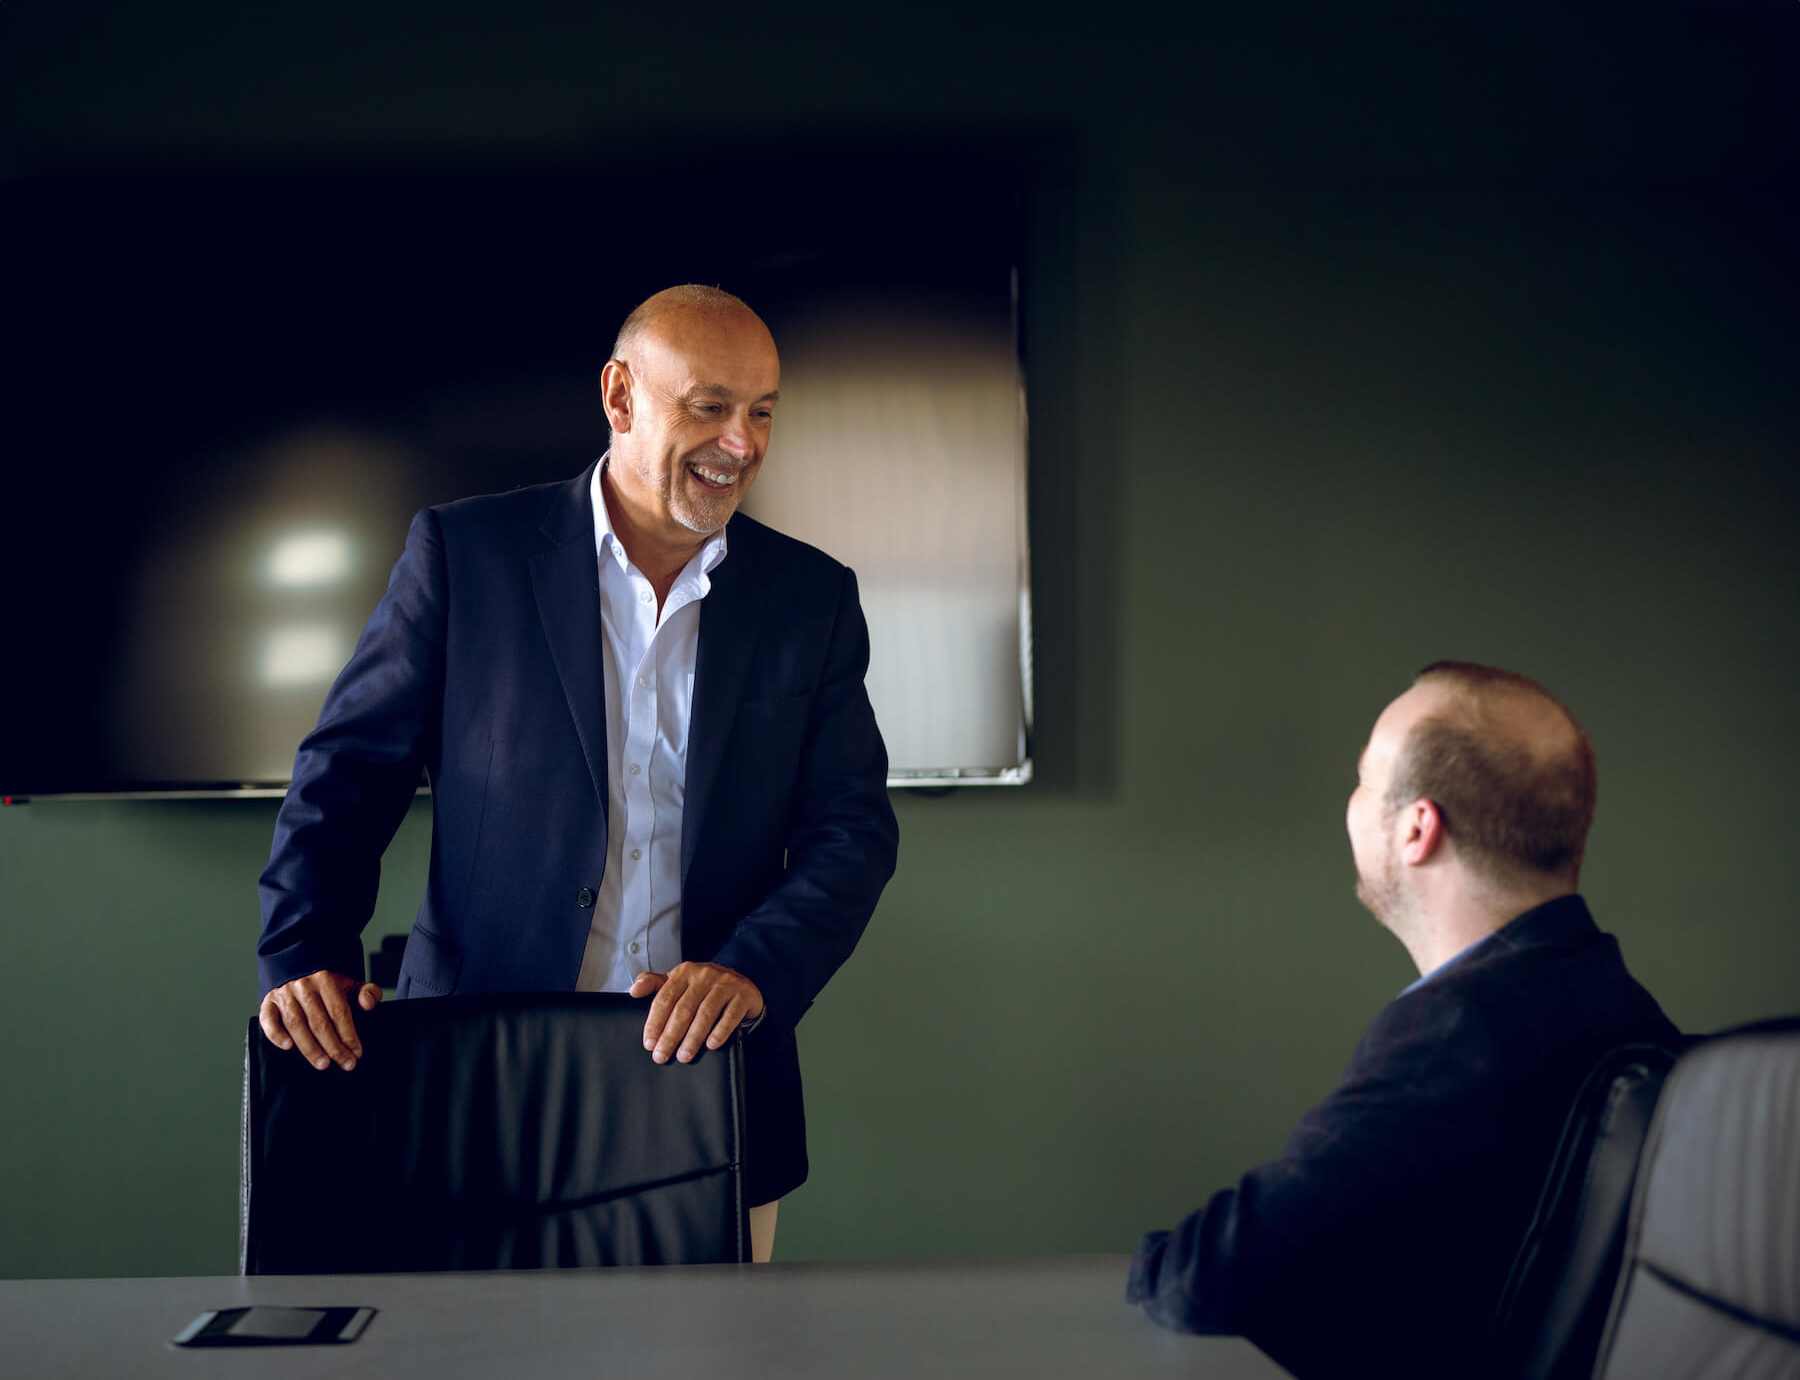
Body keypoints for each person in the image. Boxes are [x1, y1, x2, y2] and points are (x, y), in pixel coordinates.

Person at [255, 285, 899, 1263]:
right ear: (620, 395)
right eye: (710, 405)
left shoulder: (812, 597)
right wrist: (305, 953)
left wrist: (754, 971)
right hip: (473, 1076)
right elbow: (347, 773)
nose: (743, 440)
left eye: (763, 410)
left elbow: (851, 829)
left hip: (705, 1090)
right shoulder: (464, 554)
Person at [1127, 661, 1679, 1378]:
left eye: (1365, 780)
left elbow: (1207, 1275)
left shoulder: (1461, 1035)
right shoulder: (1611, 999)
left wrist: (1145, 1261)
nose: (1352, 803)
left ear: (1419, 827)